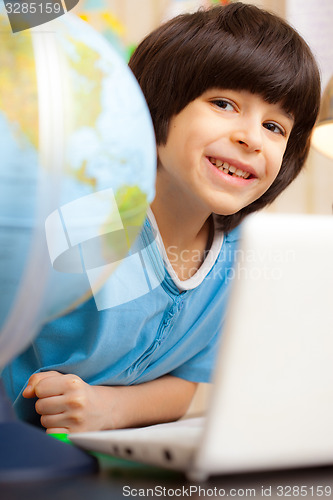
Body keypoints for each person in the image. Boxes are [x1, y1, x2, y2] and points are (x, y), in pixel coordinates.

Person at [1, 2, 320, 434]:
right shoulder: (96, 216)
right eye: (224, 103)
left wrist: (106, 407)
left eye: (275, 127)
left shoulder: (242, 253)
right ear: (155, 109)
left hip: (105, 454)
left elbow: (185, 381)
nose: (251, 138)